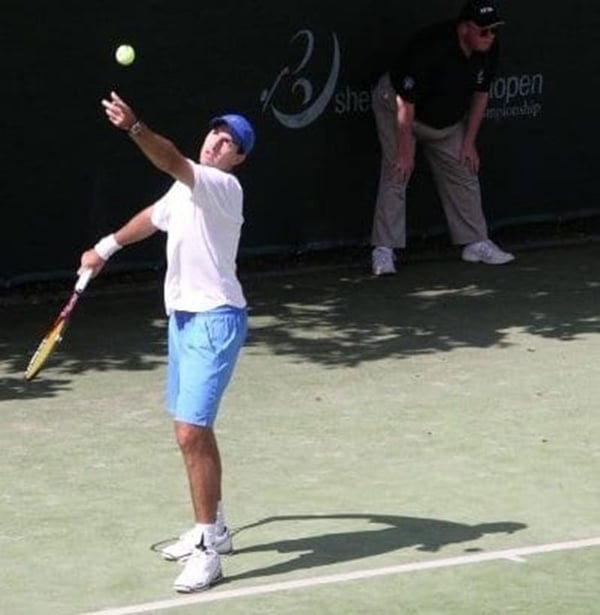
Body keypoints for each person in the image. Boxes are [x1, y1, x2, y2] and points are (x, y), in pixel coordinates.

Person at [80, 91, 255, 593]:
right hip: (182, 321)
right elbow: (152, 217)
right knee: (196, 431)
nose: (217, 144)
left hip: (215, 321)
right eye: (215, 134)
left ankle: (206, 551)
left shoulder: (220, 185)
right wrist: (104, 248)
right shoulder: (184, 190)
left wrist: (135, 128)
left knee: (189, 433)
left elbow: (170, 158)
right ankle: (216, 530)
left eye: (229, 144)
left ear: (238, 159)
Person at [370, 0, 514, 276]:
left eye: (494, 31)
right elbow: (405, 102)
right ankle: (384, 250)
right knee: (397, 171)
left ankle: (475, 242)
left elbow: (481, 95)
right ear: (464, 29)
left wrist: (469, 142)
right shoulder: (430, 47)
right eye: (484, 31)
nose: (490, 37)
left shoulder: (488, 48)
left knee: (465, 167)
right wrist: (404, 150)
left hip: (443, 124)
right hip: (397, 109)